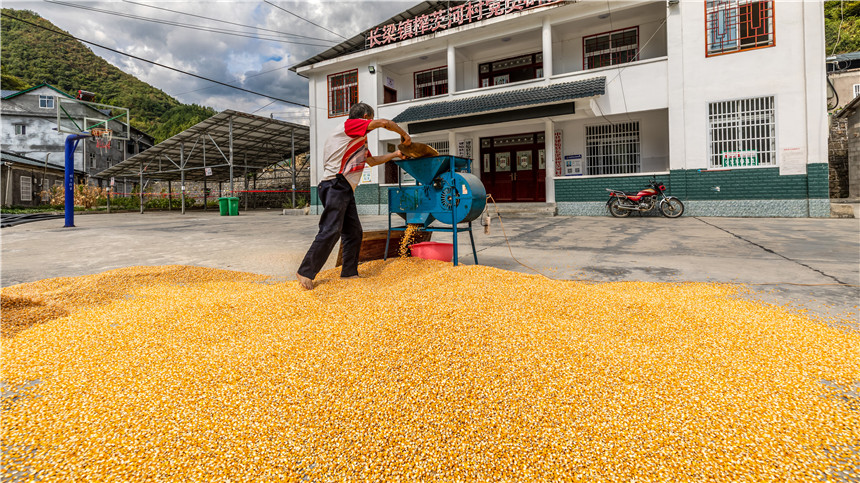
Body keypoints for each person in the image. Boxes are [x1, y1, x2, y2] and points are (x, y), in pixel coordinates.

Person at [296, 102, 411, 290]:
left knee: (353, 232)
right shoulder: (350, 125)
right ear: (365, 117)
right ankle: (305, 271)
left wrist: (396, 154)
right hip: (335, 183)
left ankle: (349, 273)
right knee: (331, 229)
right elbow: (384, 122)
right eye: (370, 120)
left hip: (344, 187)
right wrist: (404, 136)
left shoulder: (358, 140)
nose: (371, 125)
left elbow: (372, 161)